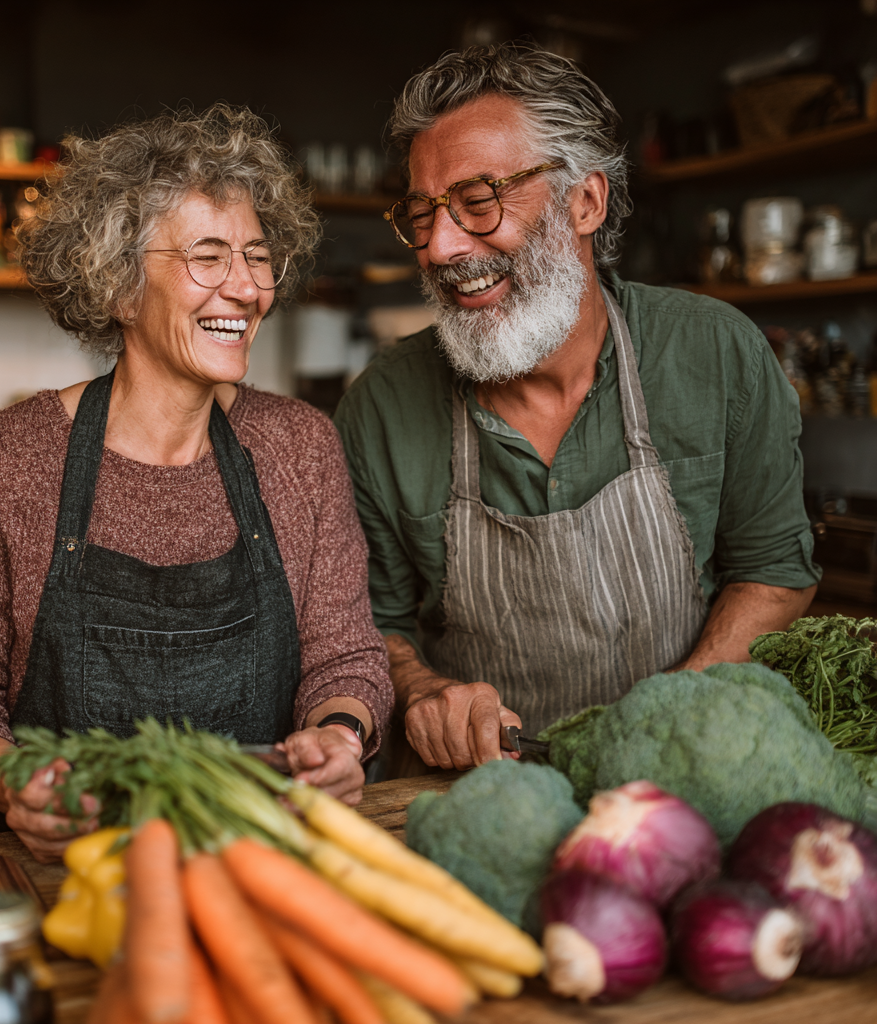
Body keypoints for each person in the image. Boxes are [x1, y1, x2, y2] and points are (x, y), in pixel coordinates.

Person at [0, 105, 393, 861]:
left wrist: (340, 734)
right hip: (62, 872)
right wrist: (18, 785)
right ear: (119, 286)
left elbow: (345, 658)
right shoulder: (2, 465)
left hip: (259, 857)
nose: (245, 288)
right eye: (207, 257)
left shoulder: (301, 449)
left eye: (257, 257)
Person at [334, 45, 820, 775]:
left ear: (585, 202)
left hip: (686, 770)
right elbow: (374, 625)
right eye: (421, 213)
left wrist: (662, 725)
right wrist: (425, 690)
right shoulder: (382, 406)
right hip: (476, 796)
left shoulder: (713, 353)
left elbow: (776, 569)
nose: (439, 246)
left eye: (477, 203)